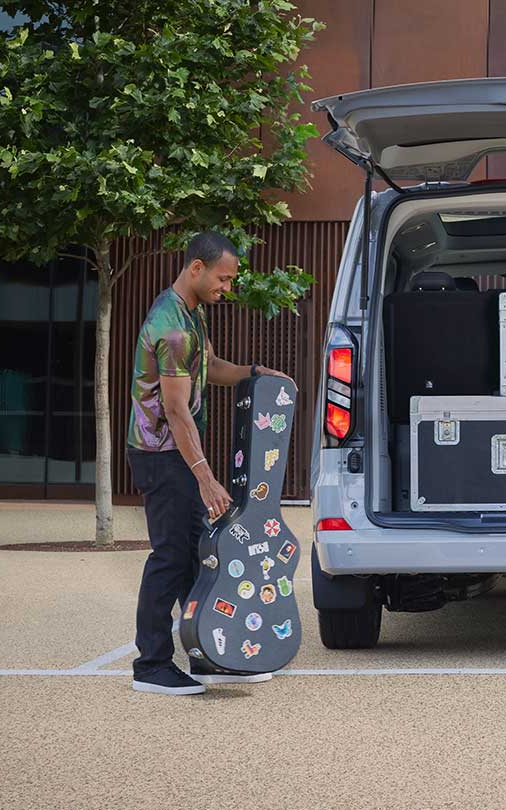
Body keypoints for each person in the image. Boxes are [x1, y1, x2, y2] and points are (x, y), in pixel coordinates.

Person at [126, 231, 292, 695]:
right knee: (171, 558)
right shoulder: (173, 327)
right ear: (195, 268)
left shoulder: (192, 314)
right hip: (162, 456)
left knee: (202, 558)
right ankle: (152, 665)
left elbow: (212, 366)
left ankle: (209, 654)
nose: (228, 287)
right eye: (223, 278)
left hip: (177, 453)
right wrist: (206, 477)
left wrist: (254, 373)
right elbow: (176, 409)